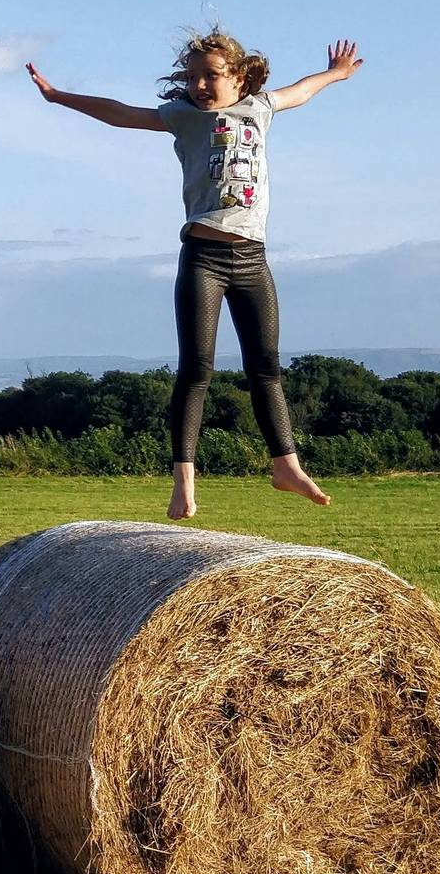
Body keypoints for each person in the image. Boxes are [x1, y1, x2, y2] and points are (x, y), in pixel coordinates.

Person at [26, 30, 363, 518]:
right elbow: (120, 113)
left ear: (240, 78)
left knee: (265, 367)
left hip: (252, 260)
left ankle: (285, 465)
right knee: (197, 369)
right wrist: (58, 97)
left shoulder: (261, 109)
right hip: (203, 256)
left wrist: (335, 73)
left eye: (212, 75)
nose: (201, 84)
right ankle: (184, 481)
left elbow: (302, 90)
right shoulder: (182, 118)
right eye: (193, 76)